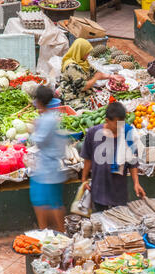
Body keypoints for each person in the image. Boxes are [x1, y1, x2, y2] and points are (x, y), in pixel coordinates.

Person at [80, 102, 146, 212]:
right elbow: (88, 158)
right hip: (99, 191)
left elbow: (132, 162)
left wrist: (136, 183)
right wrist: (84, 179)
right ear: (107, 121)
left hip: (119, 192)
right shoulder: (93, 133)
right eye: (116, 124)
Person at [29, 86, 68, 232]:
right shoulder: (51, 117)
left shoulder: (46, 120)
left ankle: (53, 230)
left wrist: (33, 129)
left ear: (39, 102)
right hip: (48, 167)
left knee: (46, 202)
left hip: (47, 169)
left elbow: (38, 140)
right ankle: (48, 230)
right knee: (49, 202)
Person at [60, 38, 110, 110]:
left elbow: (96, 73)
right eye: (86, 52)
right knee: (97, 112)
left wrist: (112, 76)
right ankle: (117, 121)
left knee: (112, 105)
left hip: (87, 95)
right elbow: (83, 87)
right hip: (75, 99)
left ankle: (120, 121)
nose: (88, 54)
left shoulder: (83, 62)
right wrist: (95, 78)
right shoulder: (71, 66)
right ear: (80, 51)